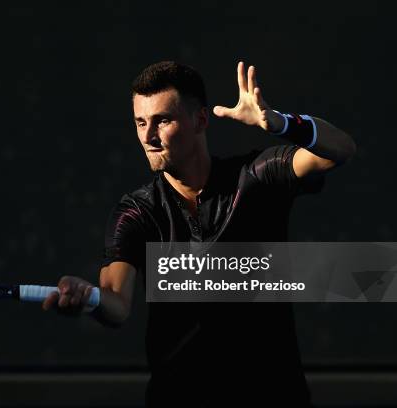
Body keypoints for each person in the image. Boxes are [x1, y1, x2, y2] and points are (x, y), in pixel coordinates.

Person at [42, 61, 356, 406]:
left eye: (162, 120)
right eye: (140, 122)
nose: (148, 137)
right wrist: (89, 298)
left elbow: (339, 150)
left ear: (200, 120)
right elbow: (116, 303)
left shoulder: (256, 177)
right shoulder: (136, 212)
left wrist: (280, 123)